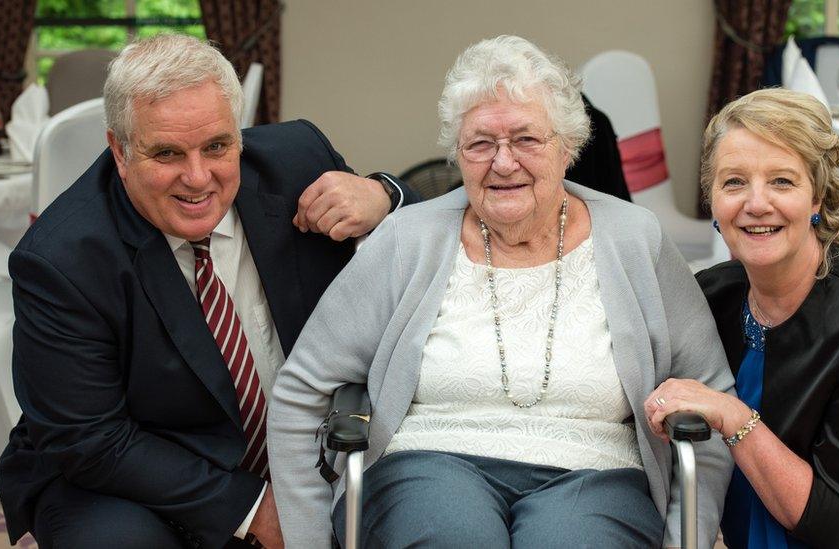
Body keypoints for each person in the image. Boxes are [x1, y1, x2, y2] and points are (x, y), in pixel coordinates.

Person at [268, 35, 734, 549]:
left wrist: (684, 537)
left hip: (597, 476)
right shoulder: (407, 239)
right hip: (428, 466)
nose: (503, 162)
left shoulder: (634, 237)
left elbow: (711, 395)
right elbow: (299, 391)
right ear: (459, 155)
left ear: (568, 148)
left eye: (527, 140)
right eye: (481, 143)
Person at [0, 34, 416, 549]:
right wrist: (256, 510)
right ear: (120, 150)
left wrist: (385, 196)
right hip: (127, 473)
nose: (198, 178)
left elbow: (435, 238)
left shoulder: (298, 160)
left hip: (308, 451)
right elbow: (89, 440)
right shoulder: (62, 259)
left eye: (217, 146)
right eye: (167, 153)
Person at [644, 88, 839, 548]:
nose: (756, 203)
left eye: (782, 181)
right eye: (734, 182)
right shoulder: (711, 296)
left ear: (817, 198)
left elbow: (834, 525)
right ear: (712, 201)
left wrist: (733, 415)